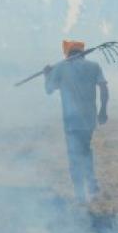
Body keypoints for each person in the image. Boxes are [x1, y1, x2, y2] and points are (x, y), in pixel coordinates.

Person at [43, 40, 109, 203]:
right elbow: (103, 88)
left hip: (71, 121)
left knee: (74, 155)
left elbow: (49, 89)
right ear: (82, 52)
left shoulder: (60, 68)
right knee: (85, 150)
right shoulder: (94, 66)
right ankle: (92, 184)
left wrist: (47, 75)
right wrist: (103, 110)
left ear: (67, 53)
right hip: (89, 119)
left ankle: (80, 195)